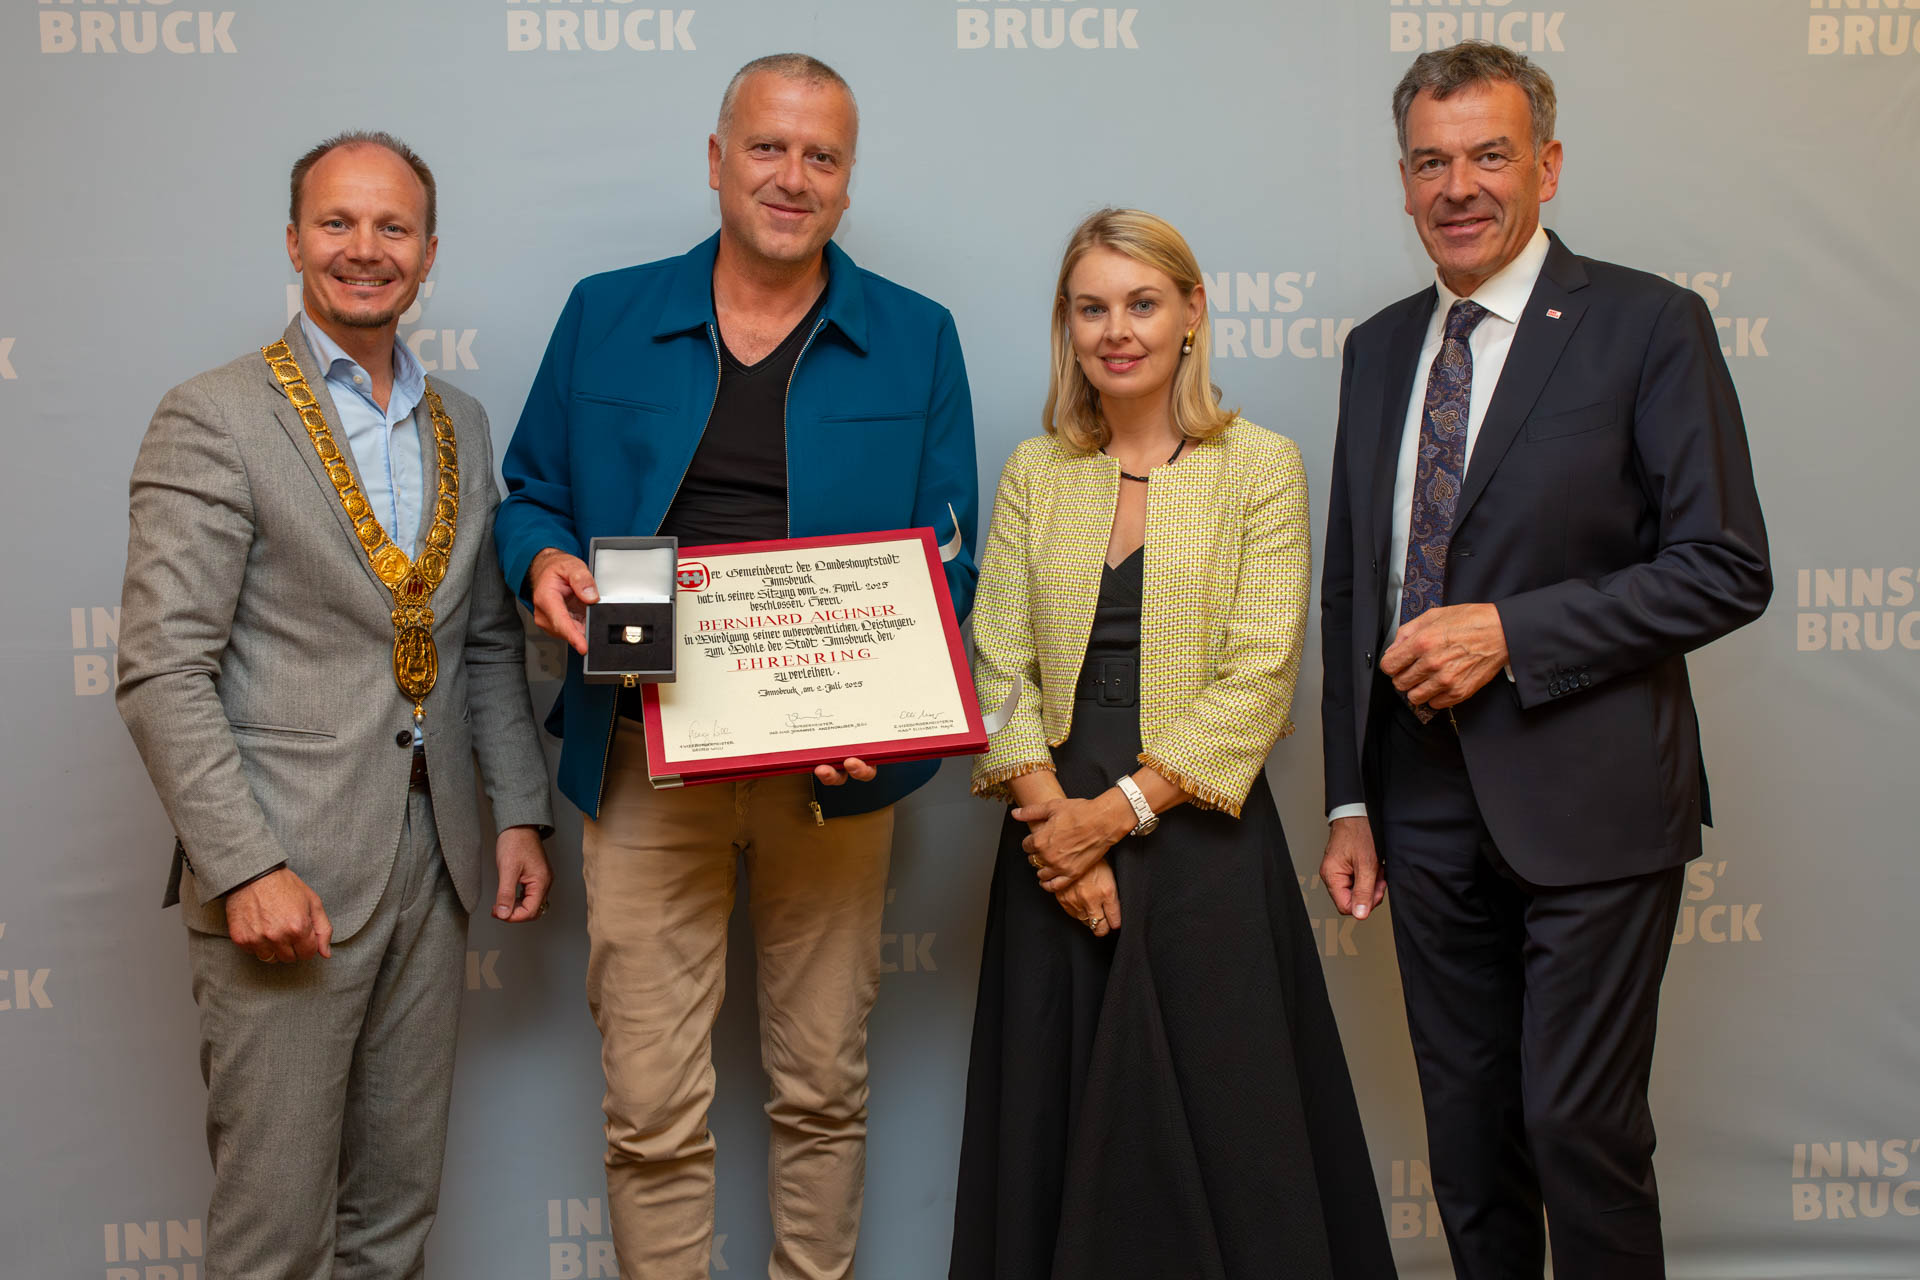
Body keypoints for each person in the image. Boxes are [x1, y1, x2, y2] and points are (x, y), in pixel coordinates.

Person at [492, 54, 978, 1280]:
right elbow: (530, 494)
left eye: (821, 157)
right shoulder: (606, 310)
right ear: (716, 160)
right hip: (648, 751)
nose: (791, 176)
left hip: (835, 763)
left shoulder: (918, 338)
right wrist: (541, 558)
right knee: (649, 1101)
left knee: (822, 1085)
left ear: (847, 184)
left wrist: (890, 708)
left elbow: (951, 558)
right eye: (767, 147)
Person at [1318, 43, 1772, 1280]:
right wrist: (1350, 793)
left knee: (1580, 1128)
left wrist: (1514, 632)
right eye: (1431, 161)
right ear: (1403, 182)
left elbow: (1727, 564)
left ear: (1548, 167)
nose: (1459, 186)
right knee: (1468, 1148)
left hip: (1595, 801)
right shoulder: (1377, 348)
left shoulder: (1646, 323)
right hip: (1417, 802)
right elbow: (1354, 581)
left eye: (1490, 155)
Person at [116, 132, 555, 1279]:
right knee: (275, 1231)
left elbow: (488, 640)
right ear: (296, 240)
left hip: (435, 857)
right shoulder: (213, 415)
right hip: (286, 868)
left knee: (394, 1219)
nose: (366, 250)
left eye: (393, 228)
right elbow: (162, 667)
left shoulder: (458, 420)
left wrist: (516, 809)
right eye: (339, 224)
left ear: (430, 251)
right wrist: (242, 863)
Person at [952, 209, 1396, 1280]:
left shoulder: (1259, 466)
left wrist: (1112, 818)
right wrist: (1056, 823)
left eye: (1142, 303)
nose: (1118, 330)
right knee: (1057, 1118)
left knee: (1231, 1123)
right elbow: (995, 661)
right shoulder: (1035, 472)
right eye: (1092, 307)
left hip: (1201, 839)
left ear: (1191, 313)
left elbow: (1260, 675)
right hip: (1048, 832)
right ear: (1068, 325)